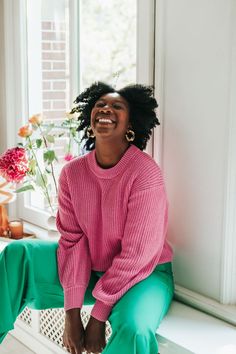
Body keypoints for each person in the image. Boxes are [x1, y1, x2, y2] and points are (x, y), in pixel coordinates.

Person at [56, 81, 174, 354]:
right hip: (95, 268)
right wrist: (71, 314)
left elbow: (138, 254)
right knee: (19, 255)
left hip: (146, 273)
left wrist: (97, 317)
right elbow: (72, 241)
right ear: (89, 118)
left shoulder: (145, 174)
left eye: (117, 106)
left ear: (130, 123)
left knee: (135, 329)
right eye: (100, 105)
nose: (106, 108)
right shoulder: (72, 173)